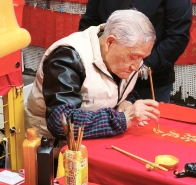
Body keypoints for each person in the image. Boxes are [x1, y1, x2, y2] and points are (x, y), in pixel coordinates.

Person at [25, 9, 160, 140]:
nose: (136, 67)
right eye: (133, 57)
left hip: (94, 139)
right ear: (110, 42)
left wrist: (126, 103)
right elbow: (62, 122)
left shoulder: (124, 55)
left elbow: (118, 89)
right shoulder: (68, 57)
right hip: (51, 144)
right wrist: (124, 118)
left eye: (142, 58)